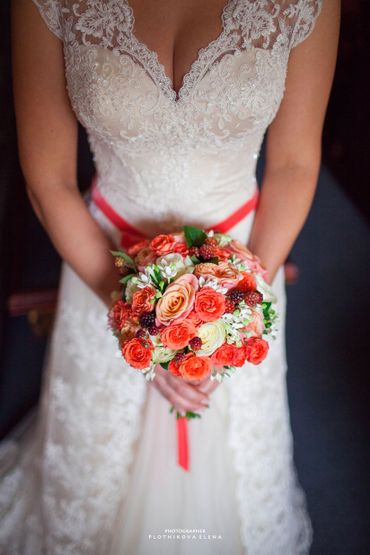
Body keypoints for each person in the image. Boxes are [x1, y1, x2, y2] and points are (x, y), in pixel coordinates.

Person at [0, 0, 340, 554]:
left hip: (247, 265)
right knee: (92, 475)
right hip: (103, 262)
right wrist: (140, 318)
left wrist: (237, 303)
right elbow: (49, 180)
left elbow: (295, 164)